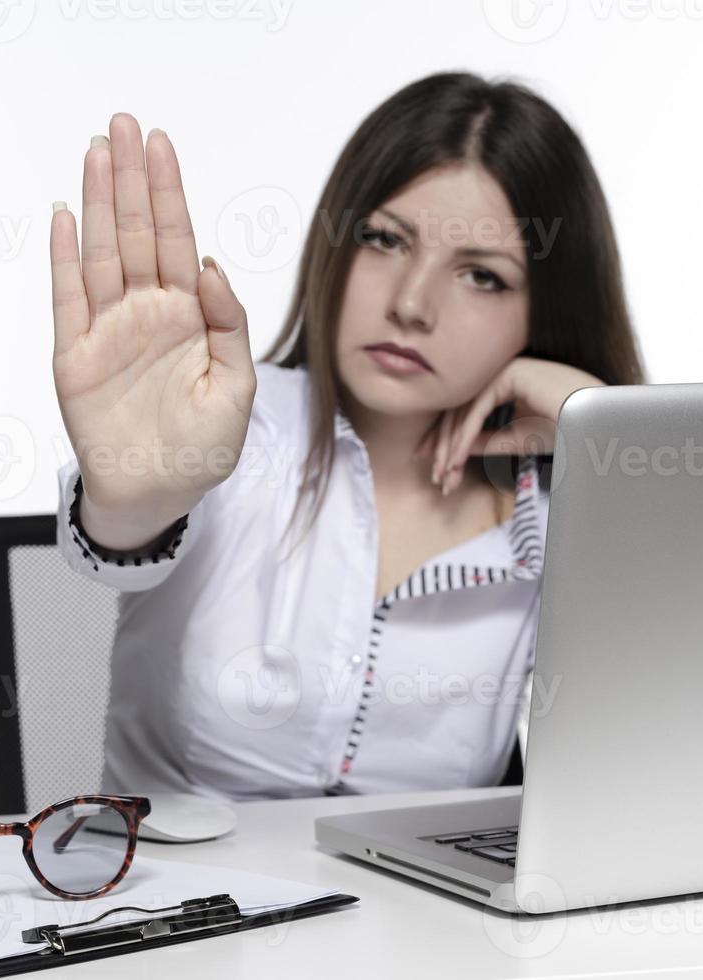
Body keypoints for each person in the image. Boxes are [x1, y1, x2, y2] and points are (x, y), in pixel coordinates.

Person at [48, 72, 645, 801]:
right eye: (385, 240)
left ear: (544, 312)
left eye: (481, 276)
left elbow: (683, 723)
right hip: (173, 903)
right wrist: (130, 496)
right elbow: (120, 536)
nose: (411, 304)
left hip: (429, 915)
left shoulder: (568, 508)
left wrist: (615, 444)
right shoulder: (227, 418)